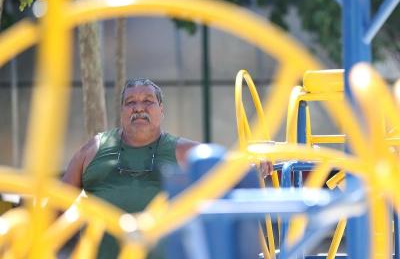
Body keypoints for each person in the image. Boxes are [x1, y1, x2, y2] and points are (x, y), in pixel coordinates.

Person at [62, 78, 273, 258]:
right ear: (122, 110)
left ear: (161, 110)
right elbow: (57, 202)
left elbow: (224, 164)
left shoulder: (183, 151)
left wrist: (253, 161)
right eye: (130, 102)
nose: (139, 108)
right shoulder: (93, 149)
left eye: (148, 101)